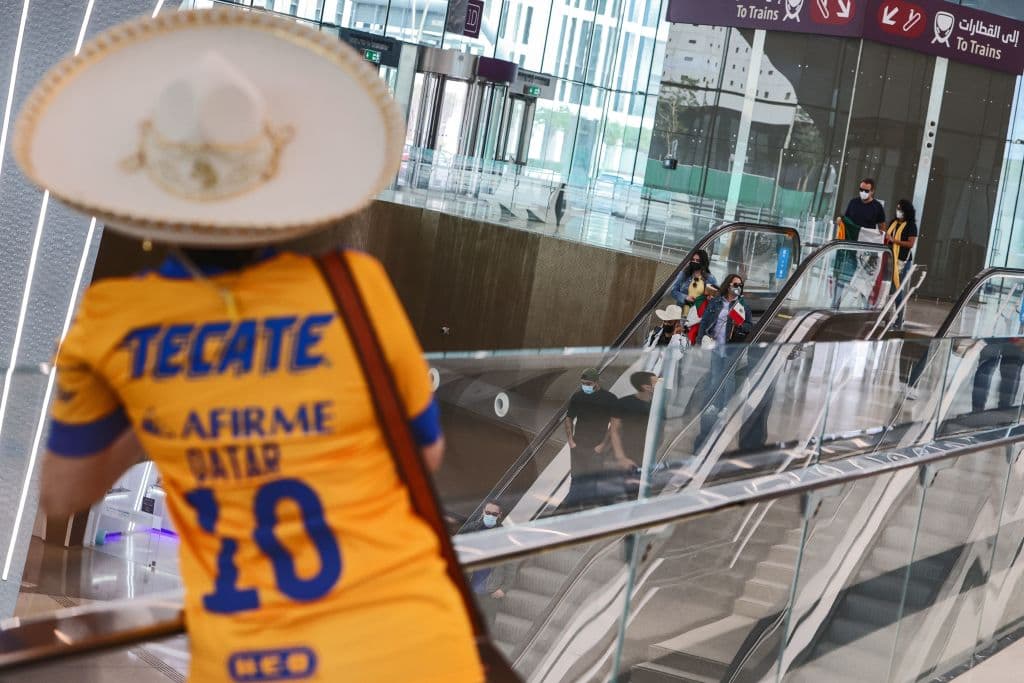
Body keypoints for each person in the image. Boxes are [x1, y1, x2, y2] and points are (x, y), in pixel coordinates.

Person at [24, 11, 481, 683]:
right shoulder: (354, 290)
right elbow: (426, 449)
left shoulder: (114, 320)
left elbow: (65, 489)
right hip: (415, 647)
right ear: (276, 177)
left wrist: (175, 416)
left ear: (151, 188)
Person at [694, 274, 754, 450]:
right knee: (714, 376)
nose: (738, 287)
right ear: (728, 285)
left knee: (727, 378)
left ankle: (725, 407)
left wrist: (739, 324)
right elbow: (705, 320)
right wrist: (699, 340)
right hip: (715, 345)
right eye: (735, 284)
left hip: (731, 347)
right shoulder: (717, 302)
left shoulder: (742, 306)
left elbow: (750, 326)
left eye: (740, 285)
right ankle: (714, 403)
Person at [562, 368, 619, 511]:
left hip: (597, 447)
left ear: (596, 382)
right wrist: (571, 440)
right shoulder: (577, 397)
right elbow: (569, 418)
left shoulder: (610, 398)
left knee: (592, 480)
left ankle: (581, 510)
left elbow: (615, 424)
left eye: (588, 383)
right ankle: (572, 510)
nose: (585, 386)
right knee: (576, 479)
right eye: (583, 383)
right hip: (578, 445)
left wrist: (603, 445)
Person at [609, 372, 657, 499]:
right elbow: (614, 430)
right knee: (632, 492)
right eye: (656, 382)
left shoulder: (657, 405)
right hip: (630, 455)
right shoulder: (624, 403)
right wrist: (621, 457)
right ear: (647, 387)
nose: (660, 383)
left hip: (649, 455)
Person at [467, 502, 517, 621]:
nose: (490, 516)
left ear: (499, 515)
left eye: (494, 514)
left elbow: (511, 565)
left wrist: (504, 588)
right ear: (483, 511)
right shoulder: (471, 530)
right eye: (488, 513)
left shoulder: (504, 536)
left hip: (490, 590)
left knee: (487, 622)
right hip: (469, 583)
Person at [884, 199, 919, 329]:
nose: (898, 211)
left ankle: (899, 318)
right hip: (891, 258)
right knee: (889, 288)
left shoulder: (911, 225)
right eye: (897, 208)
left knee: (898, 289)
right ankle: (887, 316)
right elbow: (887, 236)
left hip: (903, 261)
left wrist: (895, 241)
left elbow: (910, 244)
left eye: (900, 209)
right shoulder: (894, 223)